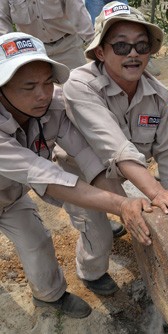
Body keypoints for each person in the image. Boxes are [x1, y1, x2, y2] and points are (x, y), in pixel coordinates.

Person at [0, 32, 153, 318]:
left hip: (11, 195)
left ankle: (50, 297)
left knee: (37, 245)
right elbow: (44, 176)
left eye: (47, 82)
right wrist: (120, 205)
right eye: (29, 86)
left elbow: (85, 154)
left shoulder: (52, 104)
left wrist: (123, 203)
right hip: (19, 180)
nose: (42, 94)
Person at [61, 1, 168, 295]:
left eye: (141, 46)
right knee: (97, 235)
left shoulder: (159, 97)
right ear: (100, 52)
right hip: (81, 172)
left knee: (147, 215)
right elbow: (114, 144)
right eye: (121, 46)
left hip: (128, 169)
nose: (133, 54)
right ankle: (90, 273)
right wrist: (158, 193)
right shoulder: (79, 85)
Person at [0, 0, 94, 70]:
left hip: (68, 47)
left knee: (79, 86)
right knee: (39, 93)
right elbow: (3, 22)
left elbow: (78, 12)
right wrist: (10, 58)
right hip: (33, 51)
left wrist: (94, 44)